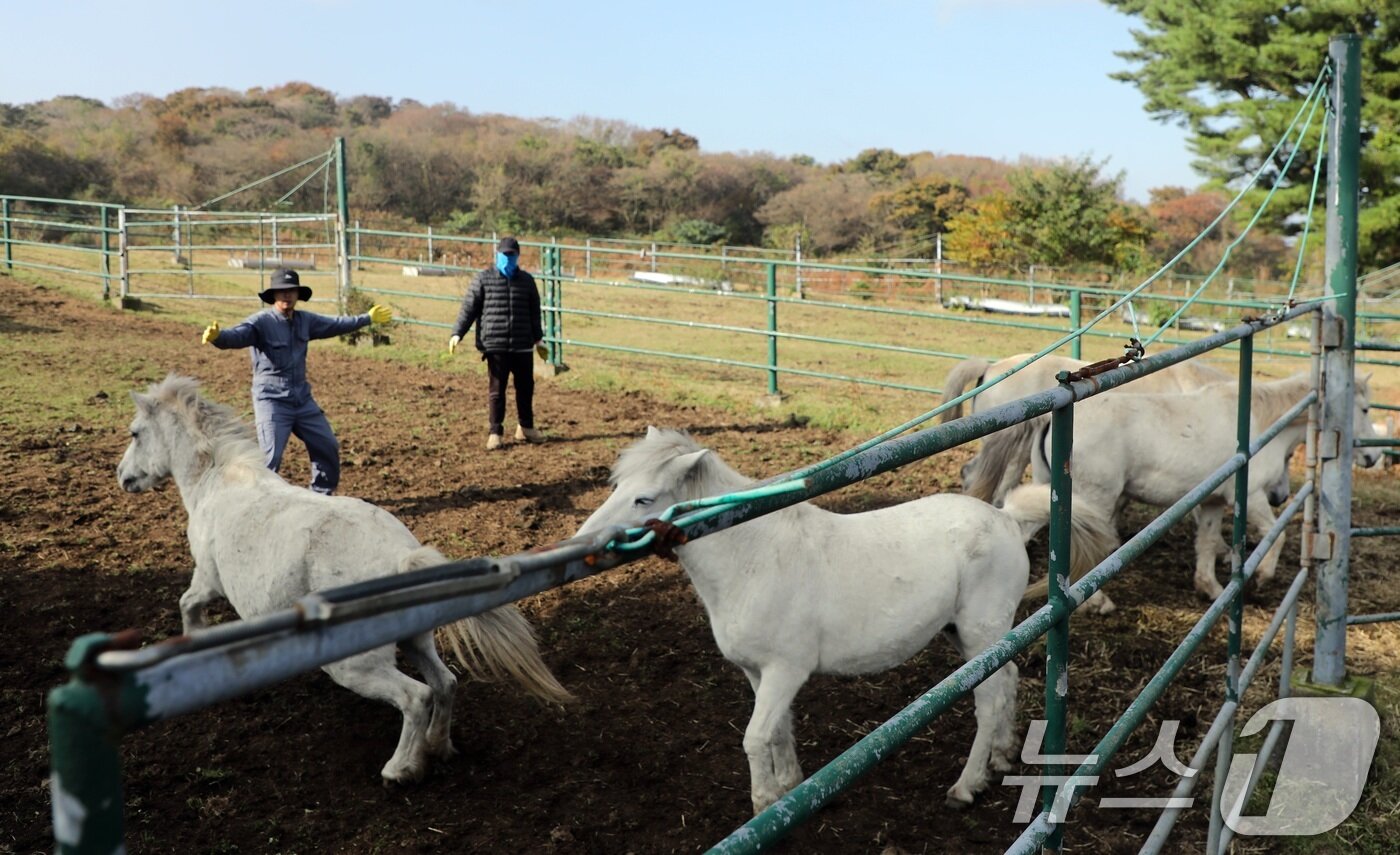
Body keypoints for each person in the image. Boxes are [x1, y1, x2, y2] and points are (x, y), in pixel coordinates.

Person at [200, 268, 393, 494]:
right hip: (272, 400)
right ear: (273, 295)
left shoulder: (305, 320)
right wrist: (218, 338)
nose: (286, 296)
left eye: (291, 291)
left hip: (302, 399)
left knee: (327, 445)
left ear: (297, 294)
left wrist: (366, 318)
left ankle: (321, 494)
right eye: (281, 291)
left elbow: (336, 324)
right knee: (270, 457)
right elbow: (238, 335)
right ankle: (255, 500)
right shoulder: (261, 322)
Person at [448, 236, 546, 450]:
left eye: (511, 255)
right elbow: (469, 309)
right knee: (497, 390)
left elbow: (534, 314)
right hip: (495, 344)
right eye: (504, 255)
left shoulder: (527, 282)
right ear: (497, 255)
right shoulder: (483, 279)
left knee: (525, 387)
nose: (508, 258)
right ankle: (495, 432)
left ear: (517, 256)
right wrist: (457, 333)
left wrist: (539, 339)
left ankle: (526, 427)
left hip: (522, 344)